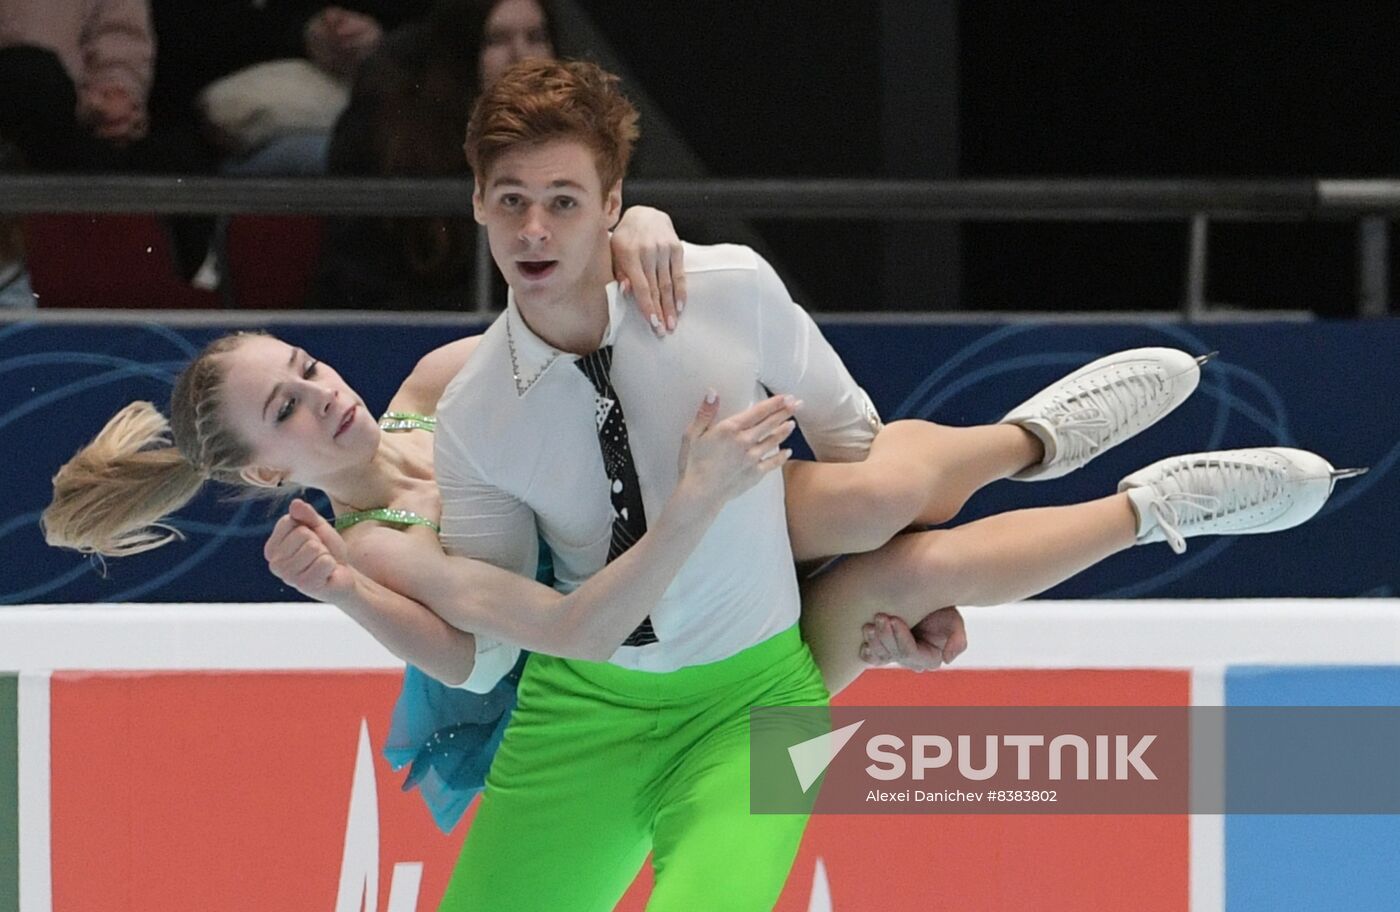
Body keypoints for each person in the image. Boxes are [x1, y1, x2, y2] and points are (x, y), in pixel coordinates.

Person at [419, 58, 1357, 911]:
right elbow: (512, 633)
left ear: (614, 202)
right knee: (901, 564)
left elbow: (852, 436)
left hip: (762, 701)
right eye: (511, 201)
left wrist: (848, 553)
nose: (534, 230)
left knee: (876, 503)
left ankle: (1060, 458)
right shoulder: (473, 420)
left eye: (564, 201)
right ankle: (1119, 492)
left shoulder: (729, 289)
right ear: (475, 204)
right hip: (581, 715)